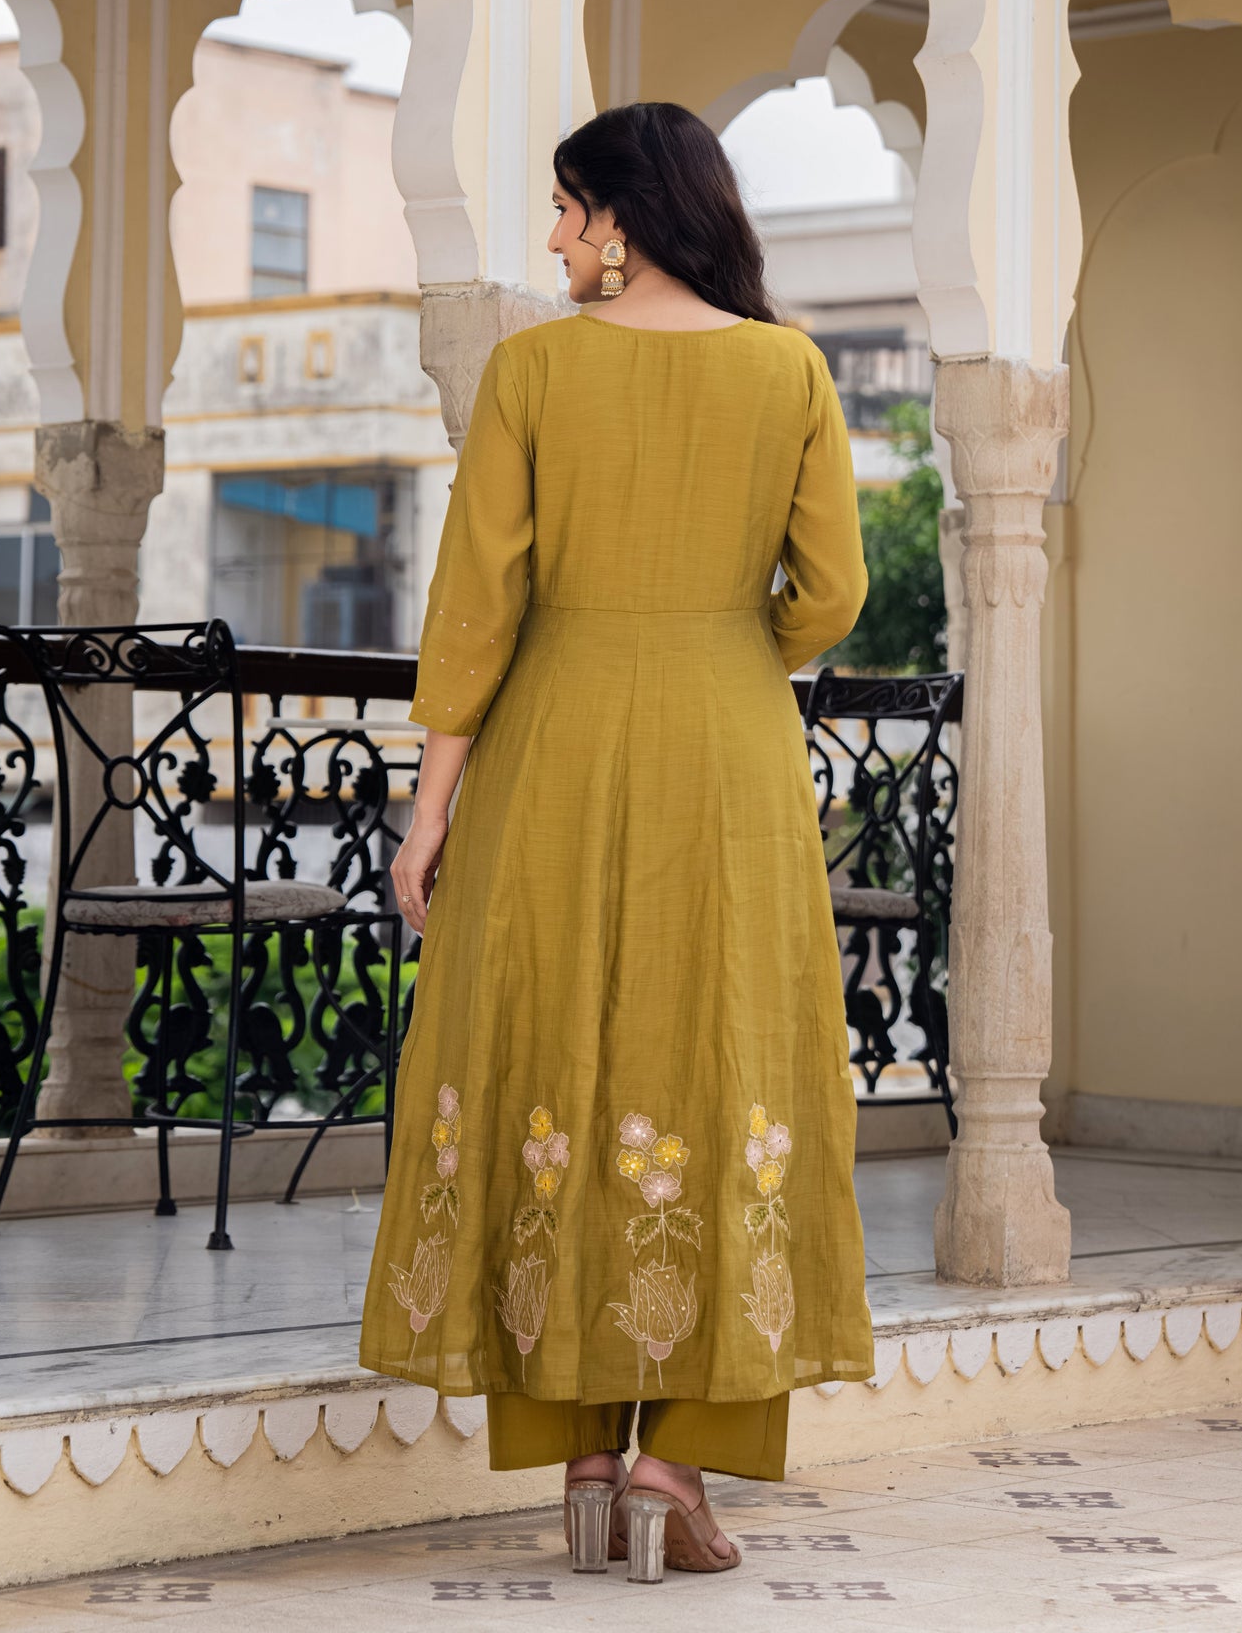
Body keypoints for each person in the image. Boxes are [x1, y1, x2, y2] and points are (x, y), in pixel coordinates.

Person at [359, 101, 873, 1581]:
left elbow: (475, 608)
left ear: (625, 217)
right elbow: (830, 595)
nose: (553, 237)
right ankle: (671, 1462)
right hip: (726, 748)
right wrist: (725, 639)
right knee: (728, 1061)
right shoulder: (788, 370)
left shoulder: (531, 373)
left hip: (551, 746)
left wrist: (430, 805)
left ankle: (584, 1458)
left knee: (547, 1054)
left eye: (568, 209)